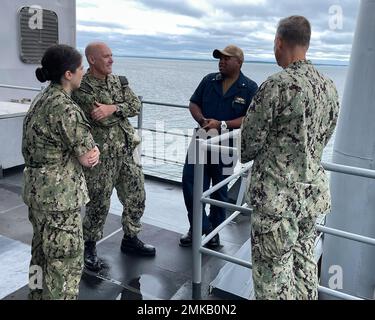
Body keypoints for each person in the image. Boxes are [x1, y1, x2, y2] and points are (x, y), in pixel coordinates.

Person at [240, 16, 340, 300]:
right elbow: (322, 137)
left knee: (272, 275)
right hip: (310, 198)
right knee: (304, 266)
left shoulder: (277, 85)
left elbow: (248, 146)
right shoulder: (328, 86)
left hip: (276, 199)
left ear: (279, 42)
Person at [22, 44, 100, 300]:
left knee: (40, 254)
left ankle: (35, 296)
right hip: (59, 199)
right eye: (80, 68)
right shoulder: (66, 108)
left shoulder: (41, 98)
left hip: (37, 194)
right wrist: (95, 152)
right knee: (64, 263)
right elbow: (88, 158)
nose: (83, 72)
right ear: (68, 74)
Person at [72, 42, 155, 272]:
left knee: (137, 195)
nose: (111, 60)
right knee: (99, 203)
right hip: (102, 156)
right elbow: (99, 118)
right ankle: (89, 246)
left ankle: (130, 238)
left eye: (111, 55)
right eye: (106, 56)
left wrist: (113, 108)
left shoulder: (119, 81)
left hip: (127, 151)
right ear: (91, 60)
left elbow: (135, 104)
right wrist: (117, 110)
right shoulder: (82, 87)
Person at [180, 45, 258, 248]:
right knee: (190, 184)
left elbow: (251, 118)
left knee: (218, 191)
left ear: (239, 62)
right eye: (220, 58)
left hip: (227, 146)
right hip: (202, 139)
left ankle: (213, 233)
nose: (221, 62)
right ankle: (200, 228)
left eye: (226, 58)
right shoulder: (209, 80)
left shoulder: (249, 87)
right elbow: (193, 103)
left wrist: (222, 124)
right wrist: (201, 119)